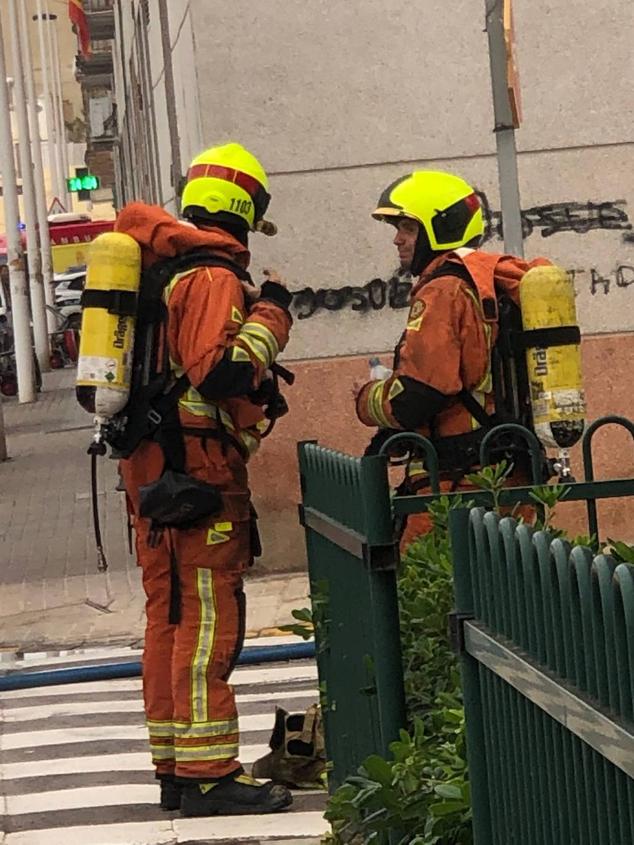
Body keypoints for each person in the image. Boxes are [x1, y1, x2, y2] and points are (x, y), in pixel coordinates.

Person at [116, 143, 294, 816]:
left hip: (154, 474)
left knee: (167, 618)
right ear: (244, 210)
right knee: (206, 623)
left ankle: (174, 764)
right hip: (198, 479)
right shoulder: (213, 273)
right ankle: (210, 773)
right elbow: (216, 374)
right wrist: (272, 312)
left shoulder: (163, 272)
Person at [355, 171, 547, 548]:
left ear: (438, 228)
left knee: (429, 592)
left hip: (458, 484)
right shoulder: (483, 281)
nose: (397, 239)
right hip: (504, 472)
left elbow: (418, 395)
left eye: (408, 228)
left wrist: (366, 399)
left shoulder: (444, 290)